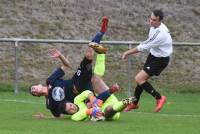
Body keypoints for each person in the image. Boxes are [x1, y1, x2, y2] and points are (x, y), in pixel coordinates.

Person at [122, 9, 173, 112]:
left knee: (139, 78)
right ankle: (134, 103)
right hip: (153, 56)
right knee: (141, 80)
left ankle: (159, 98)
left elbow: (144, 46)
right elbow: (147, 42)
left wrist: (128, 52)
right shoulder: (153, 27)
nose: (151, 21)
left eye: (154, 20)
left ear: (160, 21)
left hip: (161, 60)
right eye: (150, 18)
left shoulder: (161, 34)